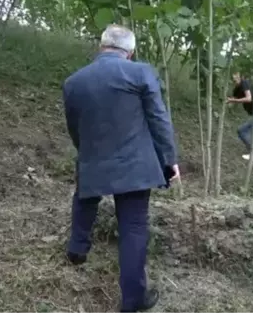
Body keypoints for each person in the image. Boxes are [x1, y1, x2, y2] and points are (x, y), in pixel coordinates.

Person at [62, 24, 179, 313]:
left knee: (85, 196)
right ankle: (132, 300)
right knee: (134, 227)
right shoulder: (140, 72)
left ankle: (77, 250)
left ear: (101, 46)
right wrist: (169, 158)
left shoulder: (74, 82)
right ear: (130, 52)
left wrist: (85, 151)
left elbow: (73, 126)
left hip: (93, 157)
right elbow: (158, 118)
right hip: (134, 165)